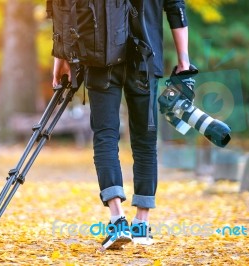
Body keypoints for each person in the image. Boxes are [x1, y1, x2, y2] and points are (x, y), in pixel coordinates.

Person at [52, 0, 196, 250]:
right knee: (145, 142)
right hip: (146, 61)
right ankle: (141, 224)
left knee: (106, 137)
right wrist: (184, 61)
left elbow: (65, 9)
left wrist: (61, 58)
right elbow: (176, 7)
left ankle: (117, 219)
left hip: (100, 60)